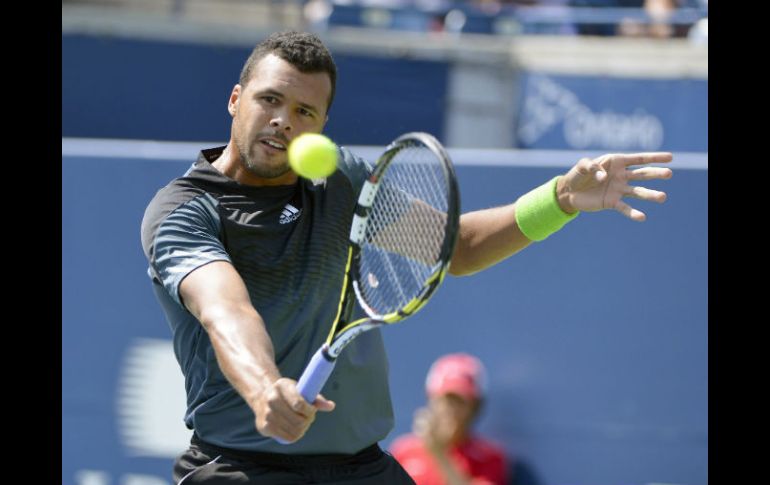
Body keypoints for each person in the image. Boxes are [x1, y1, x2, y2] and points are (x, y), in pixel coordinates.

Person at [140, 31, 672, 484]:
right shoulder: (183, 210)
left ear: (321, 125)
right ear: (236, 98)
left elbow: (456, 248)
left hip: (360, 468)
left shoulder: (339, 178)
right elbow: (225, 311)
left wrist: (558, 199)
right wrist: (264, 390)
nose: (283, 121)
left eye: (304, 111)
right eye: (269, 100)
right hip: (240, 468)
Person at [390, 353, 510, 485]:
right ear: (431, 400)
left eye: (461, 402)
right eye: (446, 400)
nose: (451, 410)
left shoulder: (489, 457)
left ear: (476, 408)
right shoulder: (403, 452)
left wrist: (439, 452)